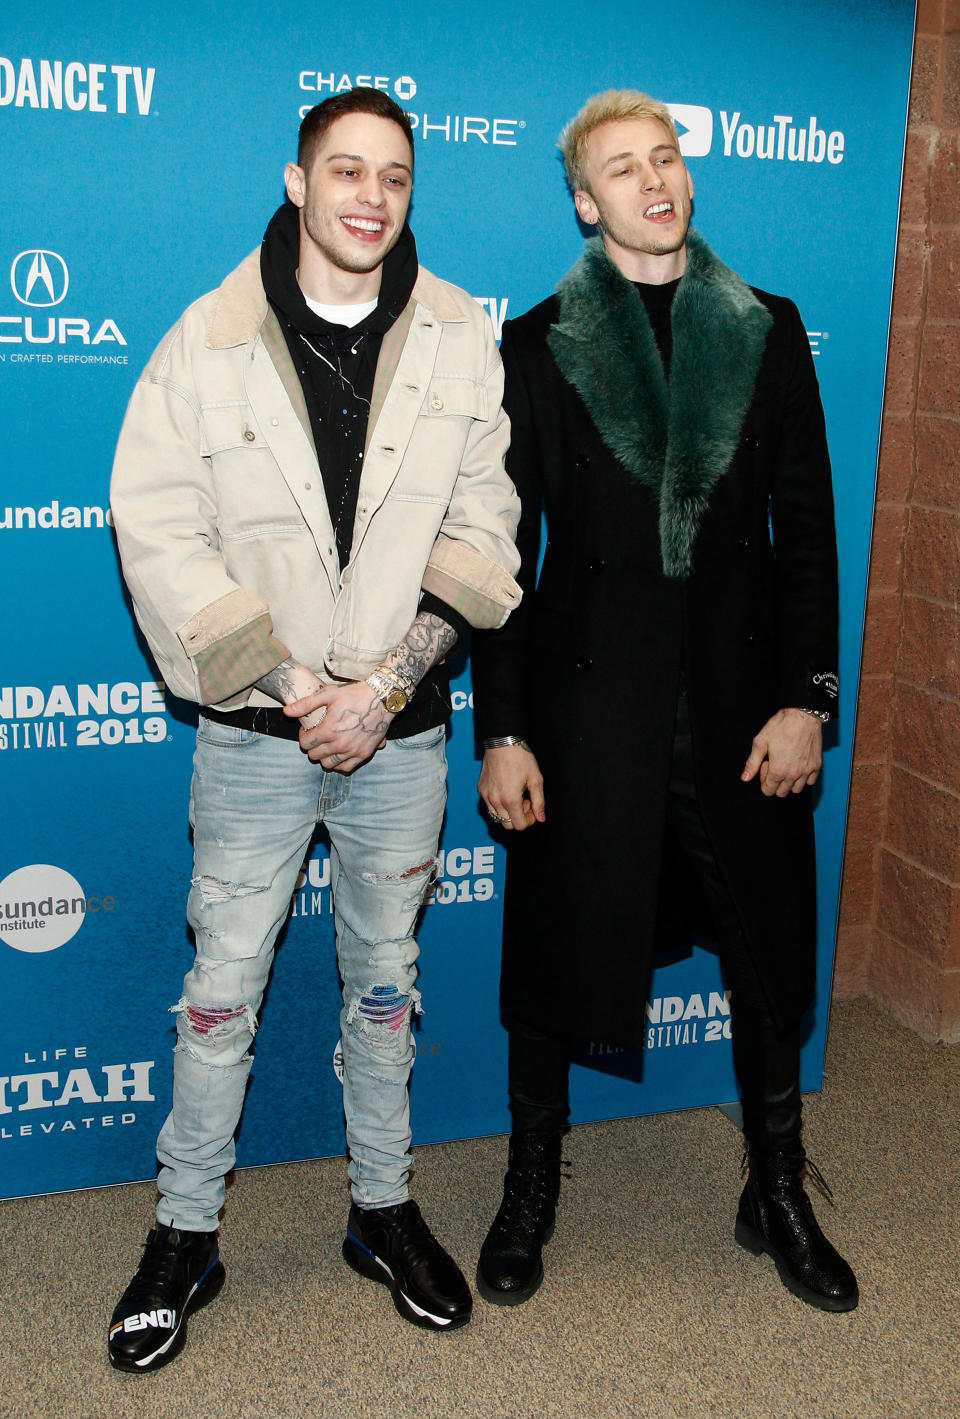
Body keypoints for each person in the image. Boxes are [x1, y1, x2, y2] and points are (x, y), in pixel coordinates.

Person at [108, 87, 521, 1370]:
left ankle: (382, 1211)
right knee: (222, 989)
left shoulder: (460, 334)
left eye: (394, 177)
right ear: (298, 185)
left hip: (400, 736)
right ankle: (185, 1233)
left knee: (387, 983)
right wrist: (294, 686)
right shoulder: (207, 337)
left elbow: (489, 528)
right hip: (254, 737)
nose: (370, 198)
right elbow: (158, 526)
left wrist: (385, 686)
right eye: (346, 171)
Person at [470, 88, 857, 1314]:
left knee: (765, 953)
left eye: (667, 158)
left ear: (687, 177)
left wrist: (809, 700)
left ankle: (778, 1186)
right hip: (589, 718)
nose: (654, 181)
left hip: (745, 711)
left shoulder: (769, 328)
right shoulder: (535, 347)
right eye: (621, 170)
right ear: (586, 203)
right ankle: (531, 1181)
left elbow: (808, 539)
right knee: (556, 947)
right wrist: (507, 728)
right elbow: (504, 564)